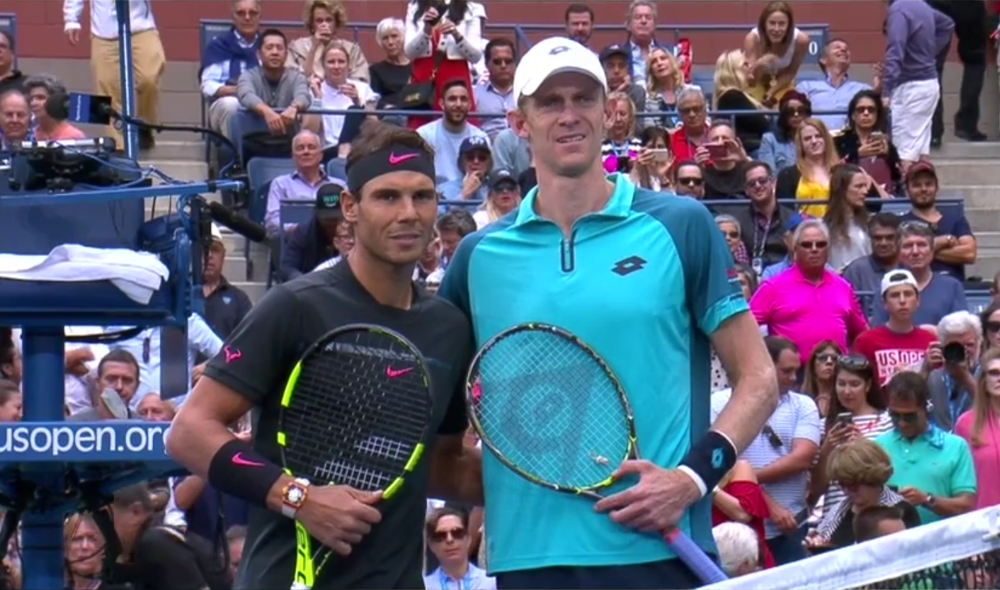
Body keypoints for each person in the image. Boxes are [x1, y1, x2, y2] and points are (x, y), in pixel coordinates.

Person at [438, 36, 779, 590]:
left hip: (661, 554)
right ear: (518, 121)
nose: (569, 116)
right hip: (529, 563)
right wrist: (536, 479)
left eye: (583, 98)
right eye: (549, 103)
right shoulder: (477, 258)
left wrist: (690, 480)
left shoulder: (681, 225)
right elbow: (442, 441)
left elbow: (759, 380)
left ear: (608, 110)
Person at [167, 121, 483, 590]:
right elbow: (188, 433)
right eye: (387, 197)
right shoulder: (295, 305)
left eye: (422, 196)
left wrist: (549, 481)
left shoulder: (449, 329)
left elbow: (441, 465)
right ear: (351, 208)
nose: (409, 213)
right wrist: (299, 498)